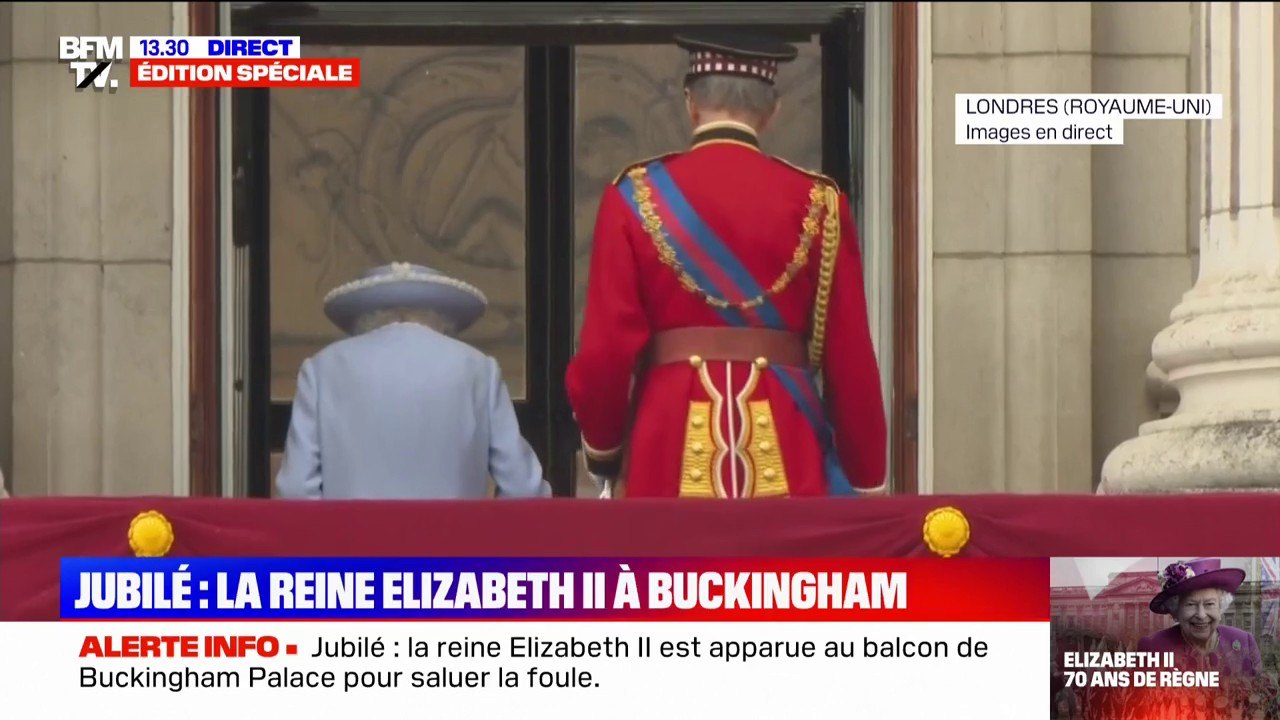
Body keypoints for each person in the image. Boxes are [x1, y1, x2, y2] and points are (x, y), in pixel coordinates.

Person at [565, 33, 887, 499]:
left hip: (667, 443)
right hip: (787, 433)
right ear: (771, 111)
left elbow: (604, 355)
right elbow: (850, 359)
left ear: (690, 103)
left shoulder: (632, 196)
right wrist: (866, 478)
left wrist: (605, 451)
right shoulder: (821, 202)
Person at [275, 262, 550, 500]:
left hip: (353, 557)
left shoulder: (322, 368)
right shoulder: (478, 368)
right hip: (454, 558)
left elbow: (296, 490)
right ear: (443, 317)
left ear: (363, 317)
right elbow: (523, 488)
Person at [1137, 559, 1262, 679]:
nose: (1201, 615)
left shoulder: (1245, 642)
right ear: (1176, 610)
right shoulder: (1152, 648)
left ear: (1221, 607)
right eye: (1190, 604)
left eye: (1209, 604)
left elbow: (1261, 696)